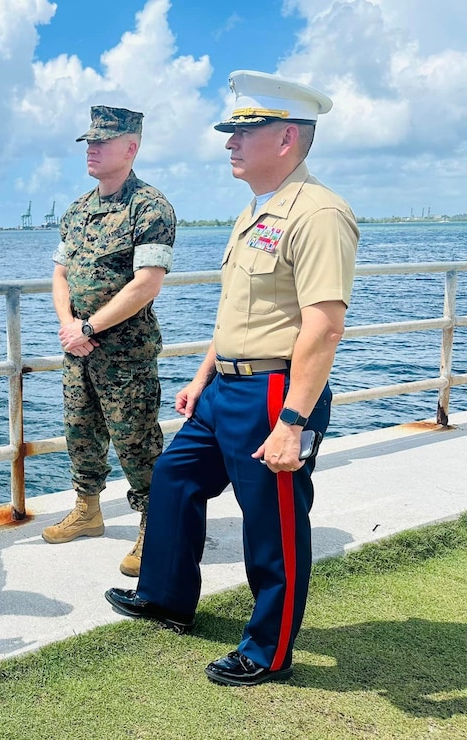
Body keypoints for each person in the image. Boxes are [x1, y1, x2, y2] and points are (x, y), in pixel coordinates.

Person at [105, 70, 359, 685]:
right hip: (226, 388)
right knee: (174, 478)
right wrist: (202, 378)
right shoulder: (257, 211)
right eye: (231, 131)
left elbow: (323, 327)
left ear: (287, 138)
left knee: (271, 521)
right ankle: (167, 596)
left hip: (275, 392)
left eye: (247, 131)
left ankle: (268, 649)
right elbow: (240, 314)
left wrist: (293, 422)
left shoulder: (318, 213)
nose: (229, 143)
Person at [44, 105, 175, 577]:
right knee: (80, 433)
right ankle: (88, 511)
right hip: (78, 350)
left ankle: (155, 528)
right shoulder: (78, 209)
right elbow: (60, 274)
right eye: (89, 142)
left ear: (131, 147)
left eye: (102, 141)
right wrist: (69, 328)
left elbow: (146, 284)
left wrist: (88, 328)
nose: (92, 149)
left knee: (137, 443)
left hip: (125, 357)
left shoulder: (150, 207)